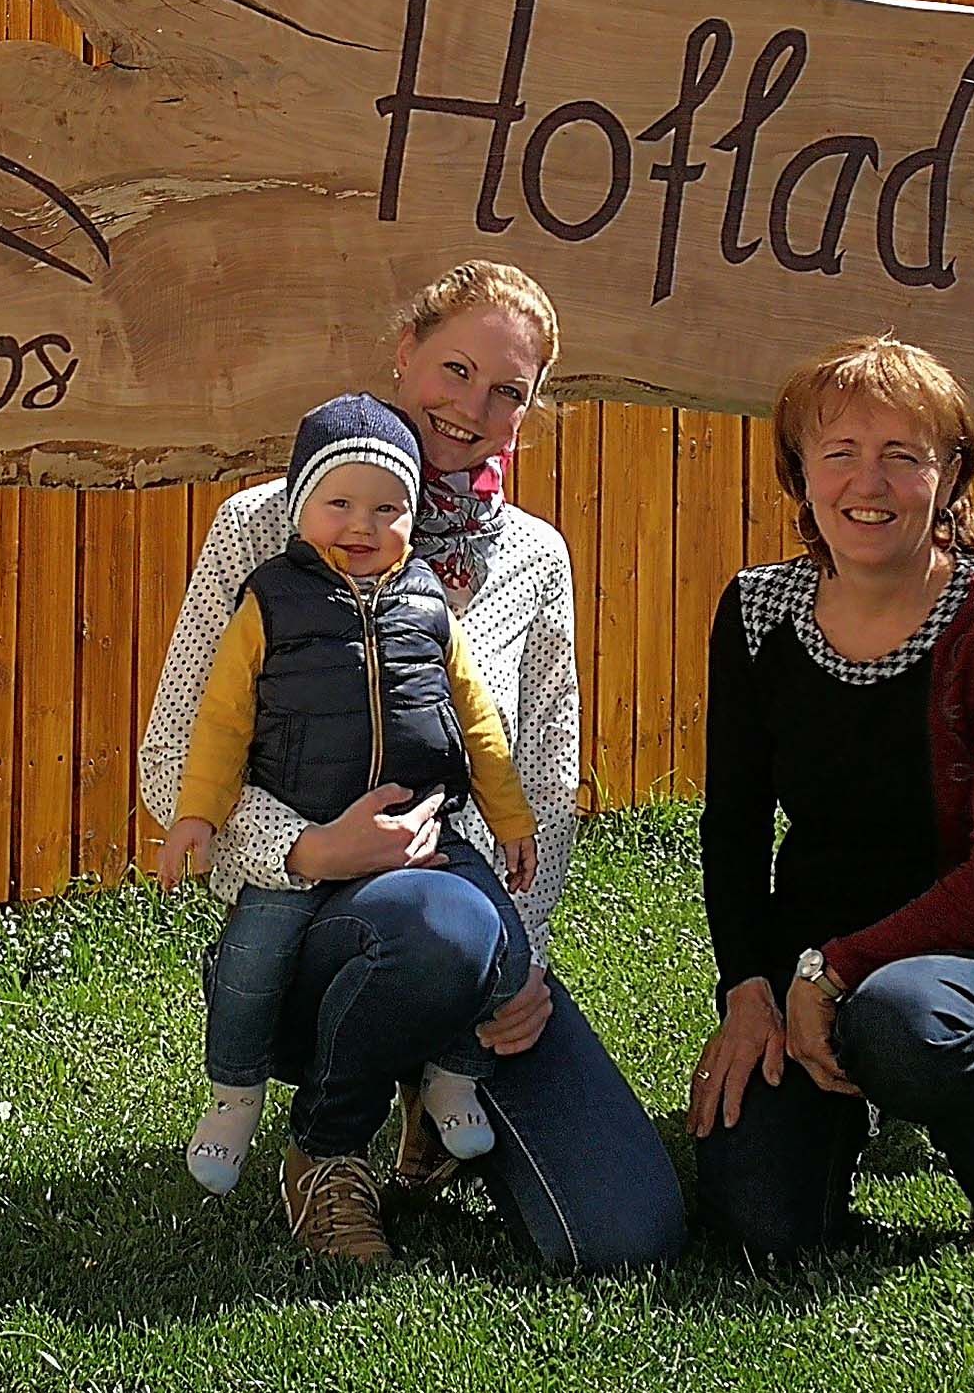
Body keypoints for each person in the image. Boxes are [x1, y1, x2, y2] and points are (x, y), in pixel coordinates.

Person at [137, 263, 687, 1272]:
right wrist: (305, 846)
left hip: (472, 932)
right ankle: (325, 1149)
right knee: (430, 923)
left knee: (622, 1230)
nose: (471, 407)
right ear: (402, 355)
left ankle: (434, 1103)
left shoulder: (533, 555)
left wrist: (515, 954)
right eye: (454, 368)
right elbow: (174, 751)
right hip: (306, 927)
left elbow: (546, 770)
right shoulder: (261, 526)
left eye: (506, 390)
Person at [689, 336, 974, 1256]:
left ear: (950, 479)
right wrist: (749, 984)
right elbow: (733, 826)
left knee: (902, 1023)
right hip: (801, 964)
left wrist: (836, 972)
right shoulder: (755, 611)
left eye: (905, 456)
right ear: (802, 474)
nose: (870, 483)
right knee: (761, 1232)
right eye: (841, 453)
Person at [156, 393, 541, 1194]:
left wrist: (511, 821)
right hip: (301, 840)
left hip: (427, 839)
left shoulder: (429, 602)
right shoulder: (270, 599)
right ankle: (233, 1097)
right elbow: (221, 720)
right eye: (338, 505)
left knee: (503, 941)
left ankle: (449, 1079)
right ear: (299, 511)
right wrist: (200, 813)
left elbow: (482, 727)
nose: (361, 526)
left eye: (387, 508)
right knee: (251, 959)